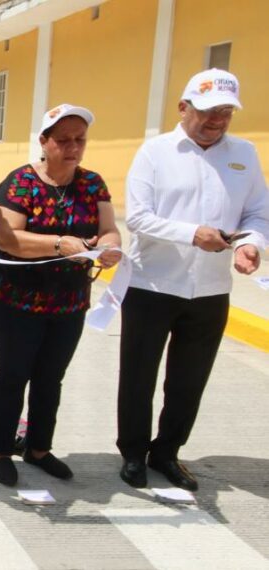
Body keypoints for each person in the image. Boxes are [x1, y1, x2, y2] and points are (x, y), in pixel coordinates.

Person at [117, 68, 268, 491]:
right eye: (207, 110)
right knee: (138, 376)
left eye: (225, 111)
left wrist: (249, 244)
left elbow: (257, 212)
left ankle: (167, 452)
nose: (216, 119)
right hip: (152, 285)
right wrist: (191, 234)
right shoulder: (155, 152)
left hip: (210, 290)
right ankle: (132, 453)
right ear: (183, 108)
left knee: (189, 379)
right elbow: (140, 219)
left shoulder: (245, 154)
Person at [0, 104, 122, 487]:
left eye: (79, 139)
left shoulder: (92, 184)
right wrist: (61, 245)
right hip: (18, 300)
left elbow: (109, 229)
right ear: (44, 141)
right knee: (13, 374)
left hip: (69, 301)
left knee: (51, 377)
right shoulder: (20, 183)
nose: (73, 147)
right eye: (63, 140)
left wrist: (110, 248)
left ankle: (39, 448)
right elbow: (9, 239)